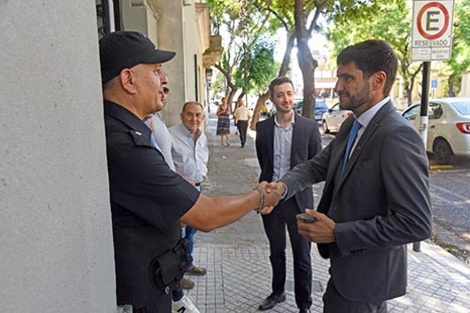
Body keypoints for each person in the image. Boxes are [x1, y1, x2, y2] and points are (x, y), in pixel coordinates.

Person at [99, 30, 278, 313]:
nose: (165, 80)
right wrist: (259, 197)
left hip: (154, 281)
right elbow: (207, 215)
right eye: (156, 71)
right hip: (142, 296)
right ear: (129, 80)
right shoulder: (124, 145)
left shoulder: (126, 129)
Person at [265, 40, 432, 313]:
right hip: (345, 274)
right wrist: (281, 187)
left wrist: (337, 233)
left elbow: (416, 225)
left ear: (378, 80)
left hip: (366, 283)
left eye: (347, 78)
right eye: (338, 76)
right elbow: (316, 166)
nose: (337, 86)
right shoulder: (351, 125)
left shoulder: (396, 135)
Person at [255, 77, 322, 313]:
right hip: (271, 199)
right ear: (272, 98)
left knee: (302, 254)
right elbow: (264, 163)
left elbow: (316, 168)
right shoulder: (263, 129)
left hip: (299, 201)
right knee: (276, 250)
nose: (286, 99)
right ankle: (277, 292)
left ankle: (305, 305)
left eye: (290, 93)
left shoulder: (309, 128)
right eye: (281, 94)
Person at [145, 76, 199, 311]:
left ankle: (177, 289)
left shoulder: (155, 120)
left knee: (182, 240)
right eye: (159, 86)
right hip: (164, 198)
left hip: (179, 190)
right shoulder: (142, 125)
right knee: (173, 243)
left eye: (166, 88)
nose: (164, 92)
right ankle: (175, 289)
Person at [169, 101, 209, 280]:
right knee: (179, 233)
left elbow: (202, 157)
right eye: (190, 114)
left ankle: (188, 264)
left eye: (198, 115)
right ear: (182, 115)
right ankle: (177, 274)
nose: (194, 119)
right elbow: (165, 166)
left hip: (198, 189)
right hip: (179, 192)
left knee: (192, 231)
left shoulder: (202, 136)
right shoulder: (170, 135)